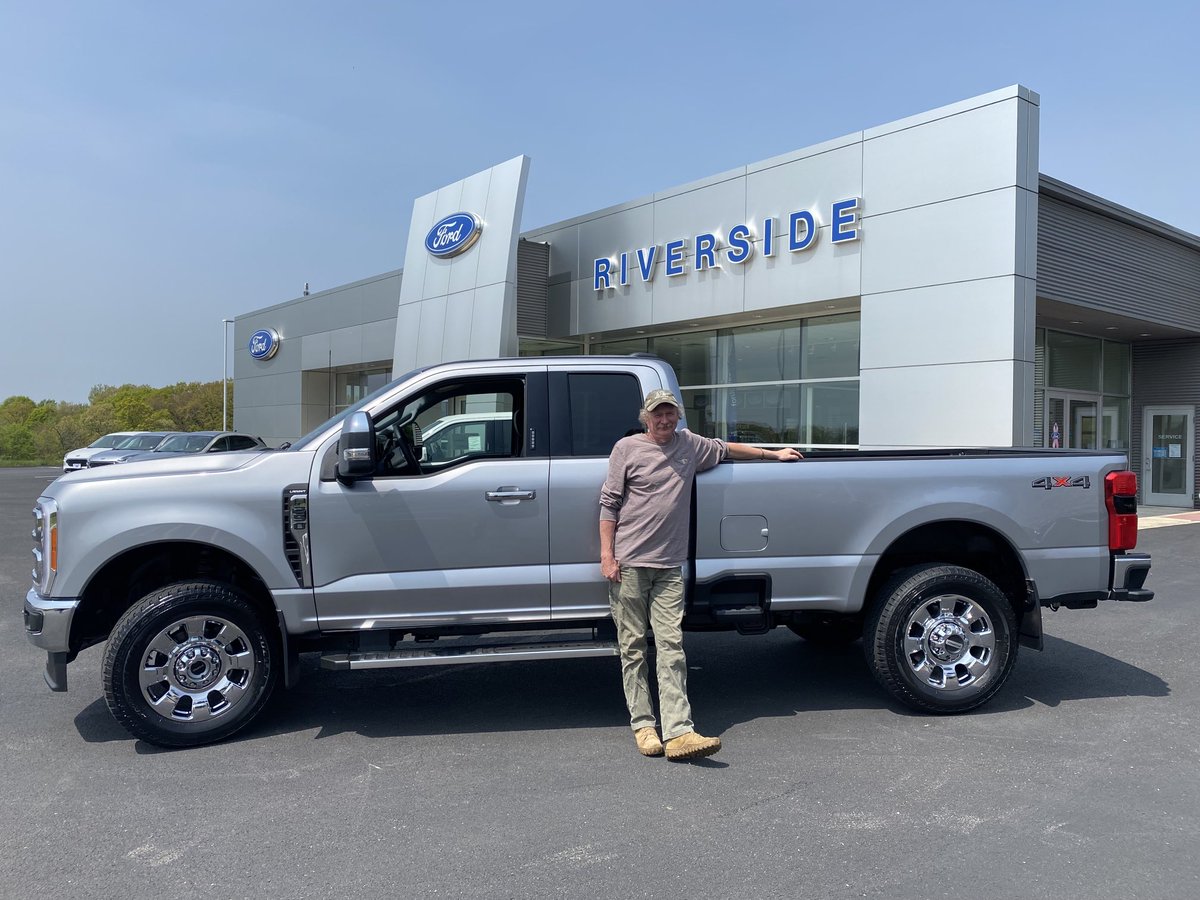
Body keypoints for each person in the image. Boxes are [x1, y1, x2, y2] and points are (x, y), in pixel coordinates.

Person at [599, 388, 802, 760]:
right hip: (629, 565)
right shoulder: (626, 449)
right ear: (646, 417)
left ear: (678, 416)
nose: (664, 420)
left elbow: (725, 447)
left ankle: (679, 732)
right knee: (632, 649)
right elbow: (609, 503)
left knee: (671, 647)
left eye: (670, 414)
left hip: (669, 568)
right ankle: (644, 726)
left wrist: (772, 454)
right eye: (657, 414)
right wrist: (607, 557)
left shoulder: (688, 445)